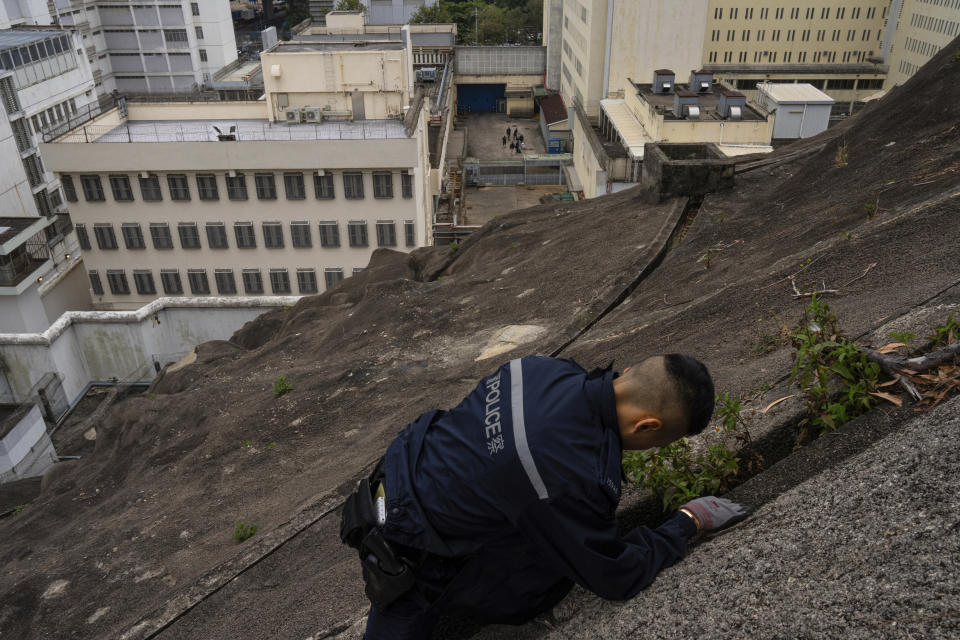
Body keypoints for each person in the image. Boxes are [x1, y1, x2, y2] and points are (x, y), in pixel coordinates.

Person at [341, 355, 750, 639]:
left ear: (627, 372)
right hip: (410, 558)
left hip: (392, 484)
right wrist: (687, 521)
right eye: (660, 441)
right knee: (553, 565)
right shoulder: (571, 474)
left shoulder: (541, 369)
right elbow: (614, 574)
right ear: (647, 426)